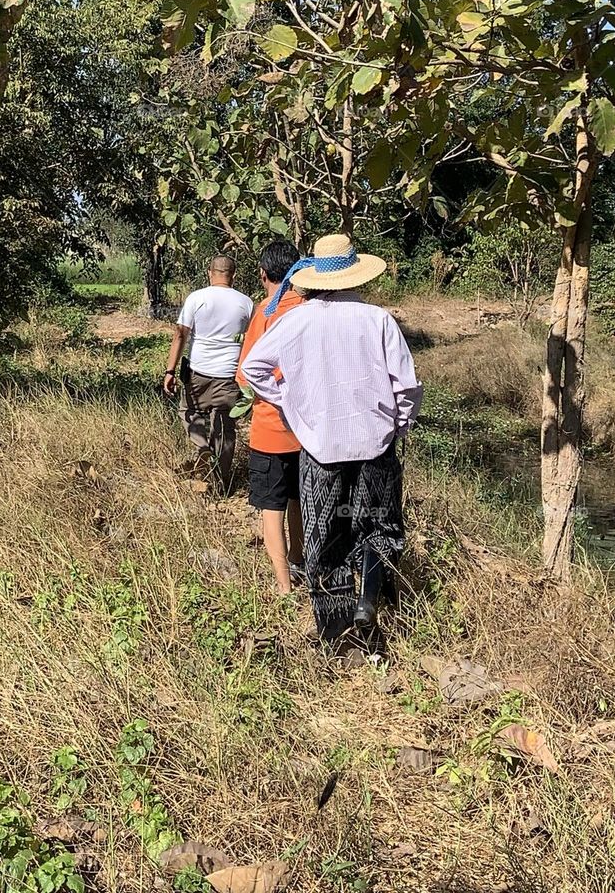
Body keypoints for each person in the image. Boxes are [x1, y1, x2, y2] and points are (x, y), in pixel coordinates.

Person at [240, 233, 423, 646]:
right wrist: (399, 424)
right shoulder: (377, 319)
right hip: (375, 445)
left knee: (327, 534)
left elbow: (253, 368)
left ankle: (335, 632)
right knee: (379, 525)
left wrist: (291, 404)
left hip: (320, 450)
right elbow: (407, 387)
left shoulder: (298, 320)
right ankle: (369, 598)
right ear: (356, 276)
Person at [236, 240, 306, 596]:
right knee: (298, 500)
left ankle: (283, 584)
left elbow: (245, 375)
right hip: (308, 433)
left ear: (263, 274)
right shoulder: (311, 308)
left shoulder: (265, 312)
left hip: (269, 430)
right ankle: (299, 559)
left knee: (271, 509)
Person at [163, 254, 253, 492]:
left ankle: (202, 449)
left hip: (198, 372)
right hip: (229, 375)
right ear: (233, 275)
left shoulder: (197, 298)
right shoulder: (246, 303)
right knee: (224, 427)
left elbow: (180, 334)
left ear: (209, 272)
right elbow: (252, 340)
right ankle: (221, 485)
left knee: (188, 410)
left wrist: (170, 370)